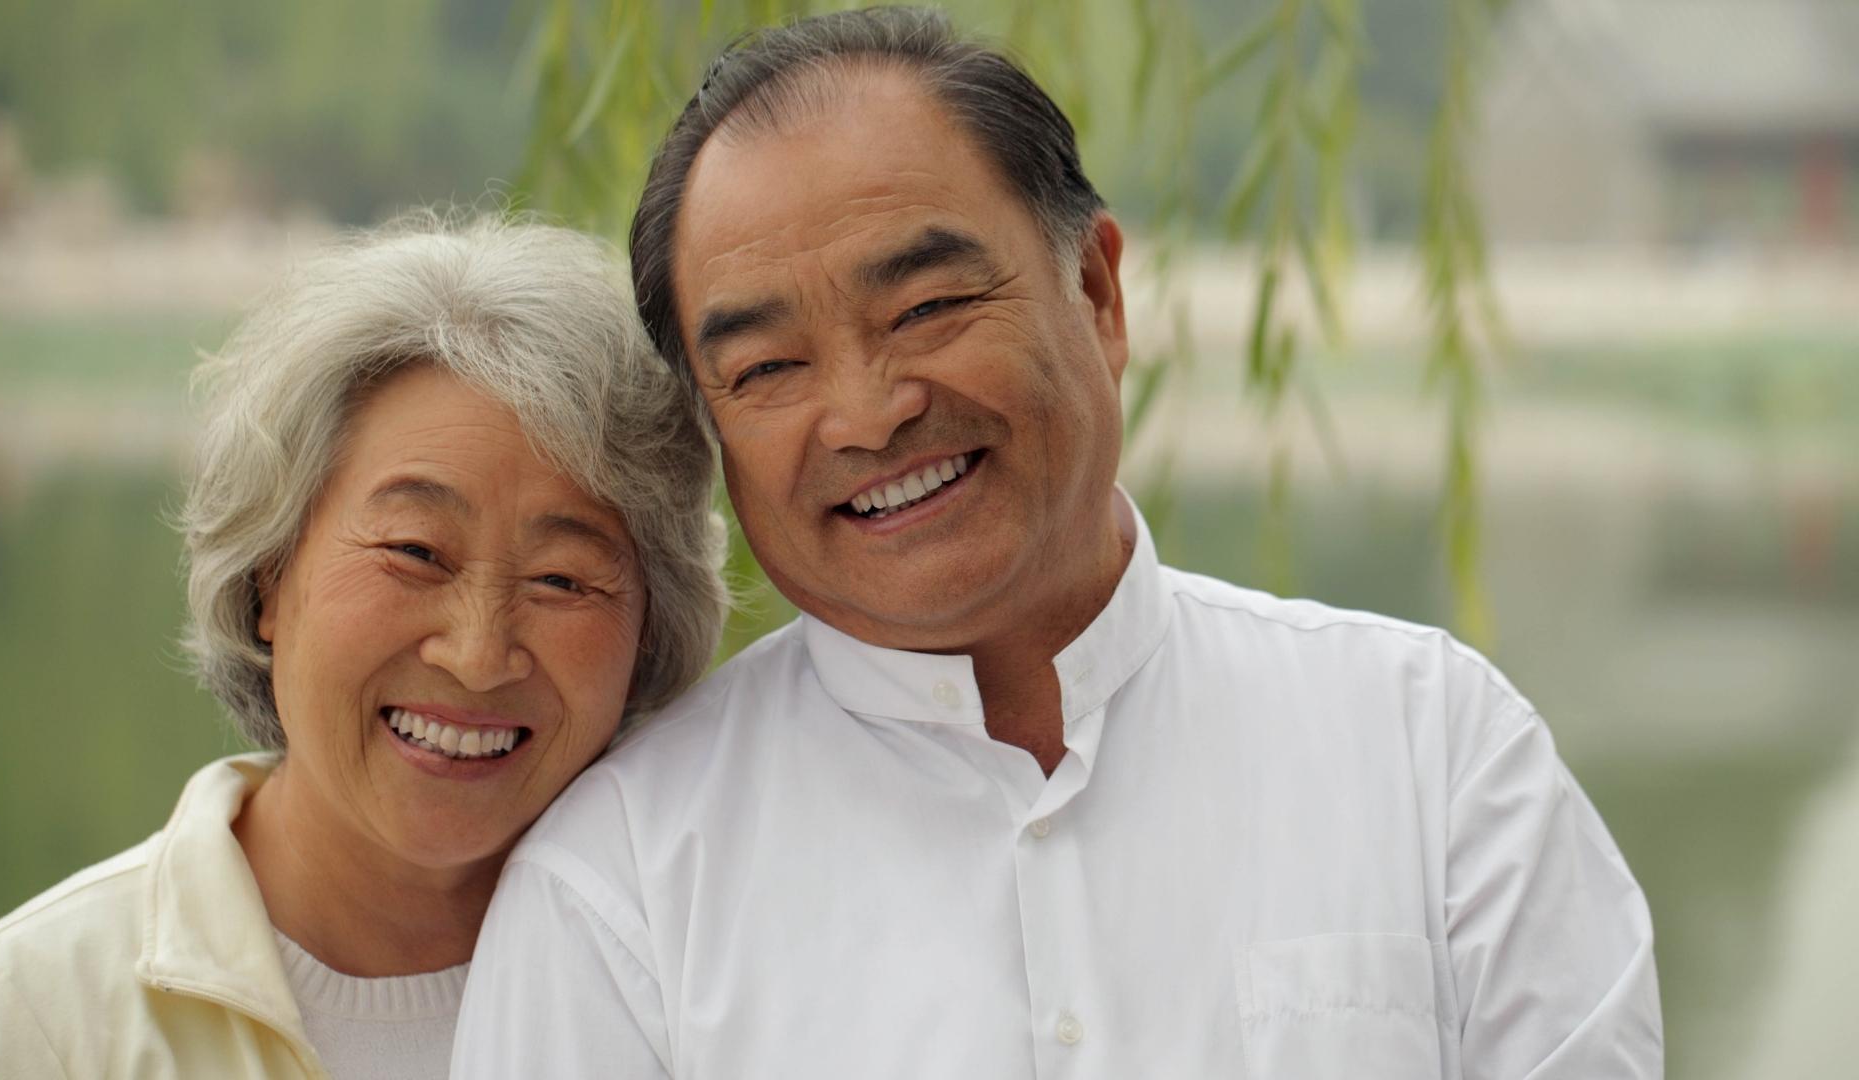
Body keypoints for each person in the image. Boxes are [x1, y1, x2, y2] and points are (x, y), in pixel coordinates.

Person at [453, 8, 1663, 1078]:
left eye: (926, 308)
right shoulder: (618, 891)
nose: (871, 414)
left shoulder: (1433, 752)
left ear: (1096, 292)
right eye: (768, 368)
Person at [0, 214, 728, 1079]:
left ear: (649, 631)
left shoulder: (720, 981)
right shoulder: (41, 1014)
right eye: (415, 553)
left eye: (561, 581)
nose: (476, 654)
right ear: (270, 576)